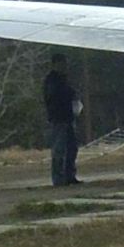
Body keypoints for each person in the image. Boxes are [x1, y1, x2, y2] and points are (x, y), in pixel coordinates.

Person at [43, 54, 81, 186]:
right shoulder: (52, 80)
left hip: (68, 117)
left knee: (72, 148)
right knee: (59, 149)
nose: (64, 66)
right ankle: (58, 178)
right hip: (58, 118)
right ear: (55, 64)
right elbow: (53, 98)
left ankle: (70, 175)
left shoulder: (63, 80)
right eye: (62, 64)